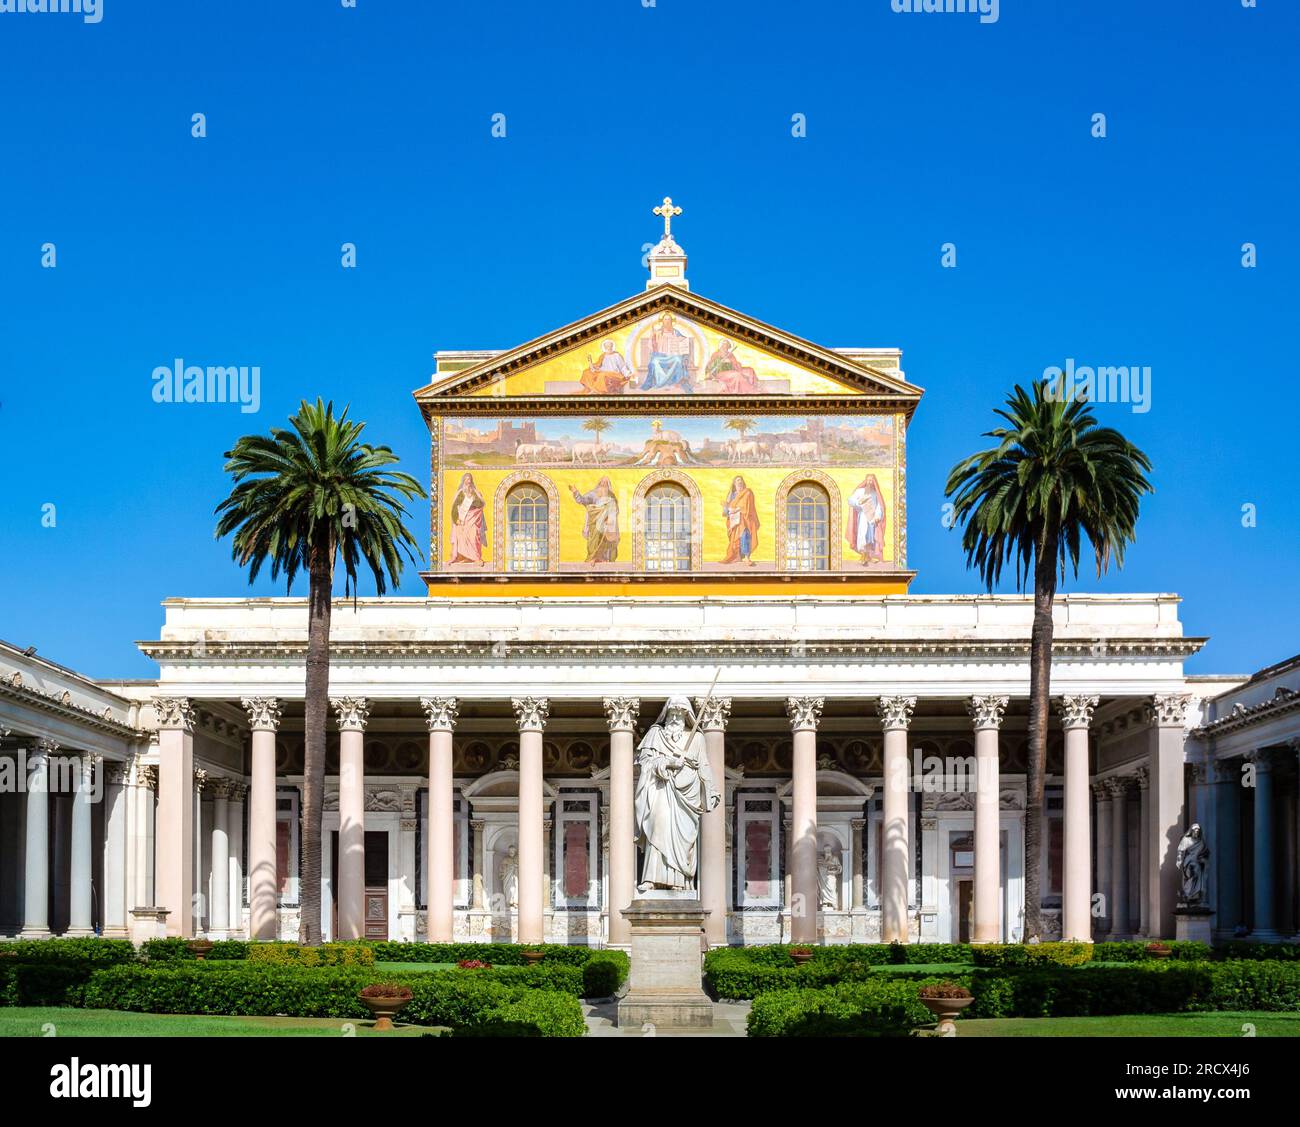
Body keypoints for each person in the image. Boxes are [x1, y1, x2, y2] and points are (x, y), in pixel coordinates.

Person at [633, 696, 720, 892]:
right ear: (665, 714)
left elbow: (704, 766)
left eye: (679, 715)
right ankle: (651, 878)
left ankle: (678, 881)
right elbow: (644, 762)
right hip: (661, 789)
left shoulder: (697, 738)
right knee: (658, 827)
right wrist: (669, 762)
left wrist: (711, 790)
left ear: (686, 716)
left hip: (687, 795)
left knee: (683, 838)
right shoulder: (655, 734)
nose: (674, 718)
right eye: (672, 714)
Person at [569, 477, 620, 562]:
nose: (603, 484)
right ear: (599, 483)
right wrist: (575, 492)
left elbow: (616, 509)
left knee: (607, 540)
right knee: (594, 539)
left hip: (607, 522)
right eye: (602, 482)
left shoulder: (611, 495)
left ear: (608, 485)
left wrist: (610, 517)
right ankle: (593, 557)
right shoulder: (593, 494)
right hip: (595, 521)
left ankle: (604, 558)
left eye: (606, 483)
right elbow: (582, 500)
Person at [640, 313, 693, 391]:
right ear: (662, 321)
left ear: (671, 321)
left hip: (672, 356)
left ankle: (676, 382)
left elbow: (684, 342)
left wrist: (682, 341)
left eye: (669, 319)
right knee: (654, 362)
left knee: (678, 360)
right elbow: (651, 346)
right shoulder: (657, 332)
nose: (667, 321)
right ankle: (660, 383)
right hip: (660, 356)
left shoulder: (676, 332)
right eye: (665, 319)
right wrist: (653, 337)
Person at [847, 473, 886, 564]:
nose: (869, 482)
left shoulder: (876, 493)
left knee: (870, 537)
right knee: (862, 535)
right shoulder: (860, 491)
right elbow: (850, 500)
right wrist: (858, 503)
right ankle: (863, 556)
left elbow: (879, 506)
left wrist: (878, 516)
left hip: (872, 518)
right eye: (868, 480)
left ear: (874, 482)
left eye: (871, 480)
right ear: (866, 481)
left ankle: (868, 556)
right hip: (863, 517)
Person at [448, 473, 487, 565]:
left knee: (474, 535)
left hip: (473, 519)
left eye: (469, 479)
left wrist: (472, 503)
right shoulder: (460, 493)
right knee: (460, 535)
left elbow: (480, 503)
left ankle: (476, 557)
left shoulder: (475, 493)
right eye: (466, 479)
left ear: (471, 481)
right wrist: (456, 519)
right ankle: (462, 557)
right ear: (463, 481)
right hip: (462, 520)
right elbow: (454, 507)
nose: (468, 481)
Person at [721, 474, 759, 564]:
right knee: (735, 538)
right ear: (734, 484)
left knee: (745, 535)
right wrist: (727, 508)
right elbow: (726, 510)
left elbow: (749, 505)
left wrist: (737, 509)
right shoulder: (732, 495)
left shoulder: (748, 493)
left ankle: (746, 557)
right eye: (737, 480)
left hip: (746, 519)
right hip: (734, 519)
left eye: (741, 480)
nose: (739, 482)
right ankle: (737, 556)